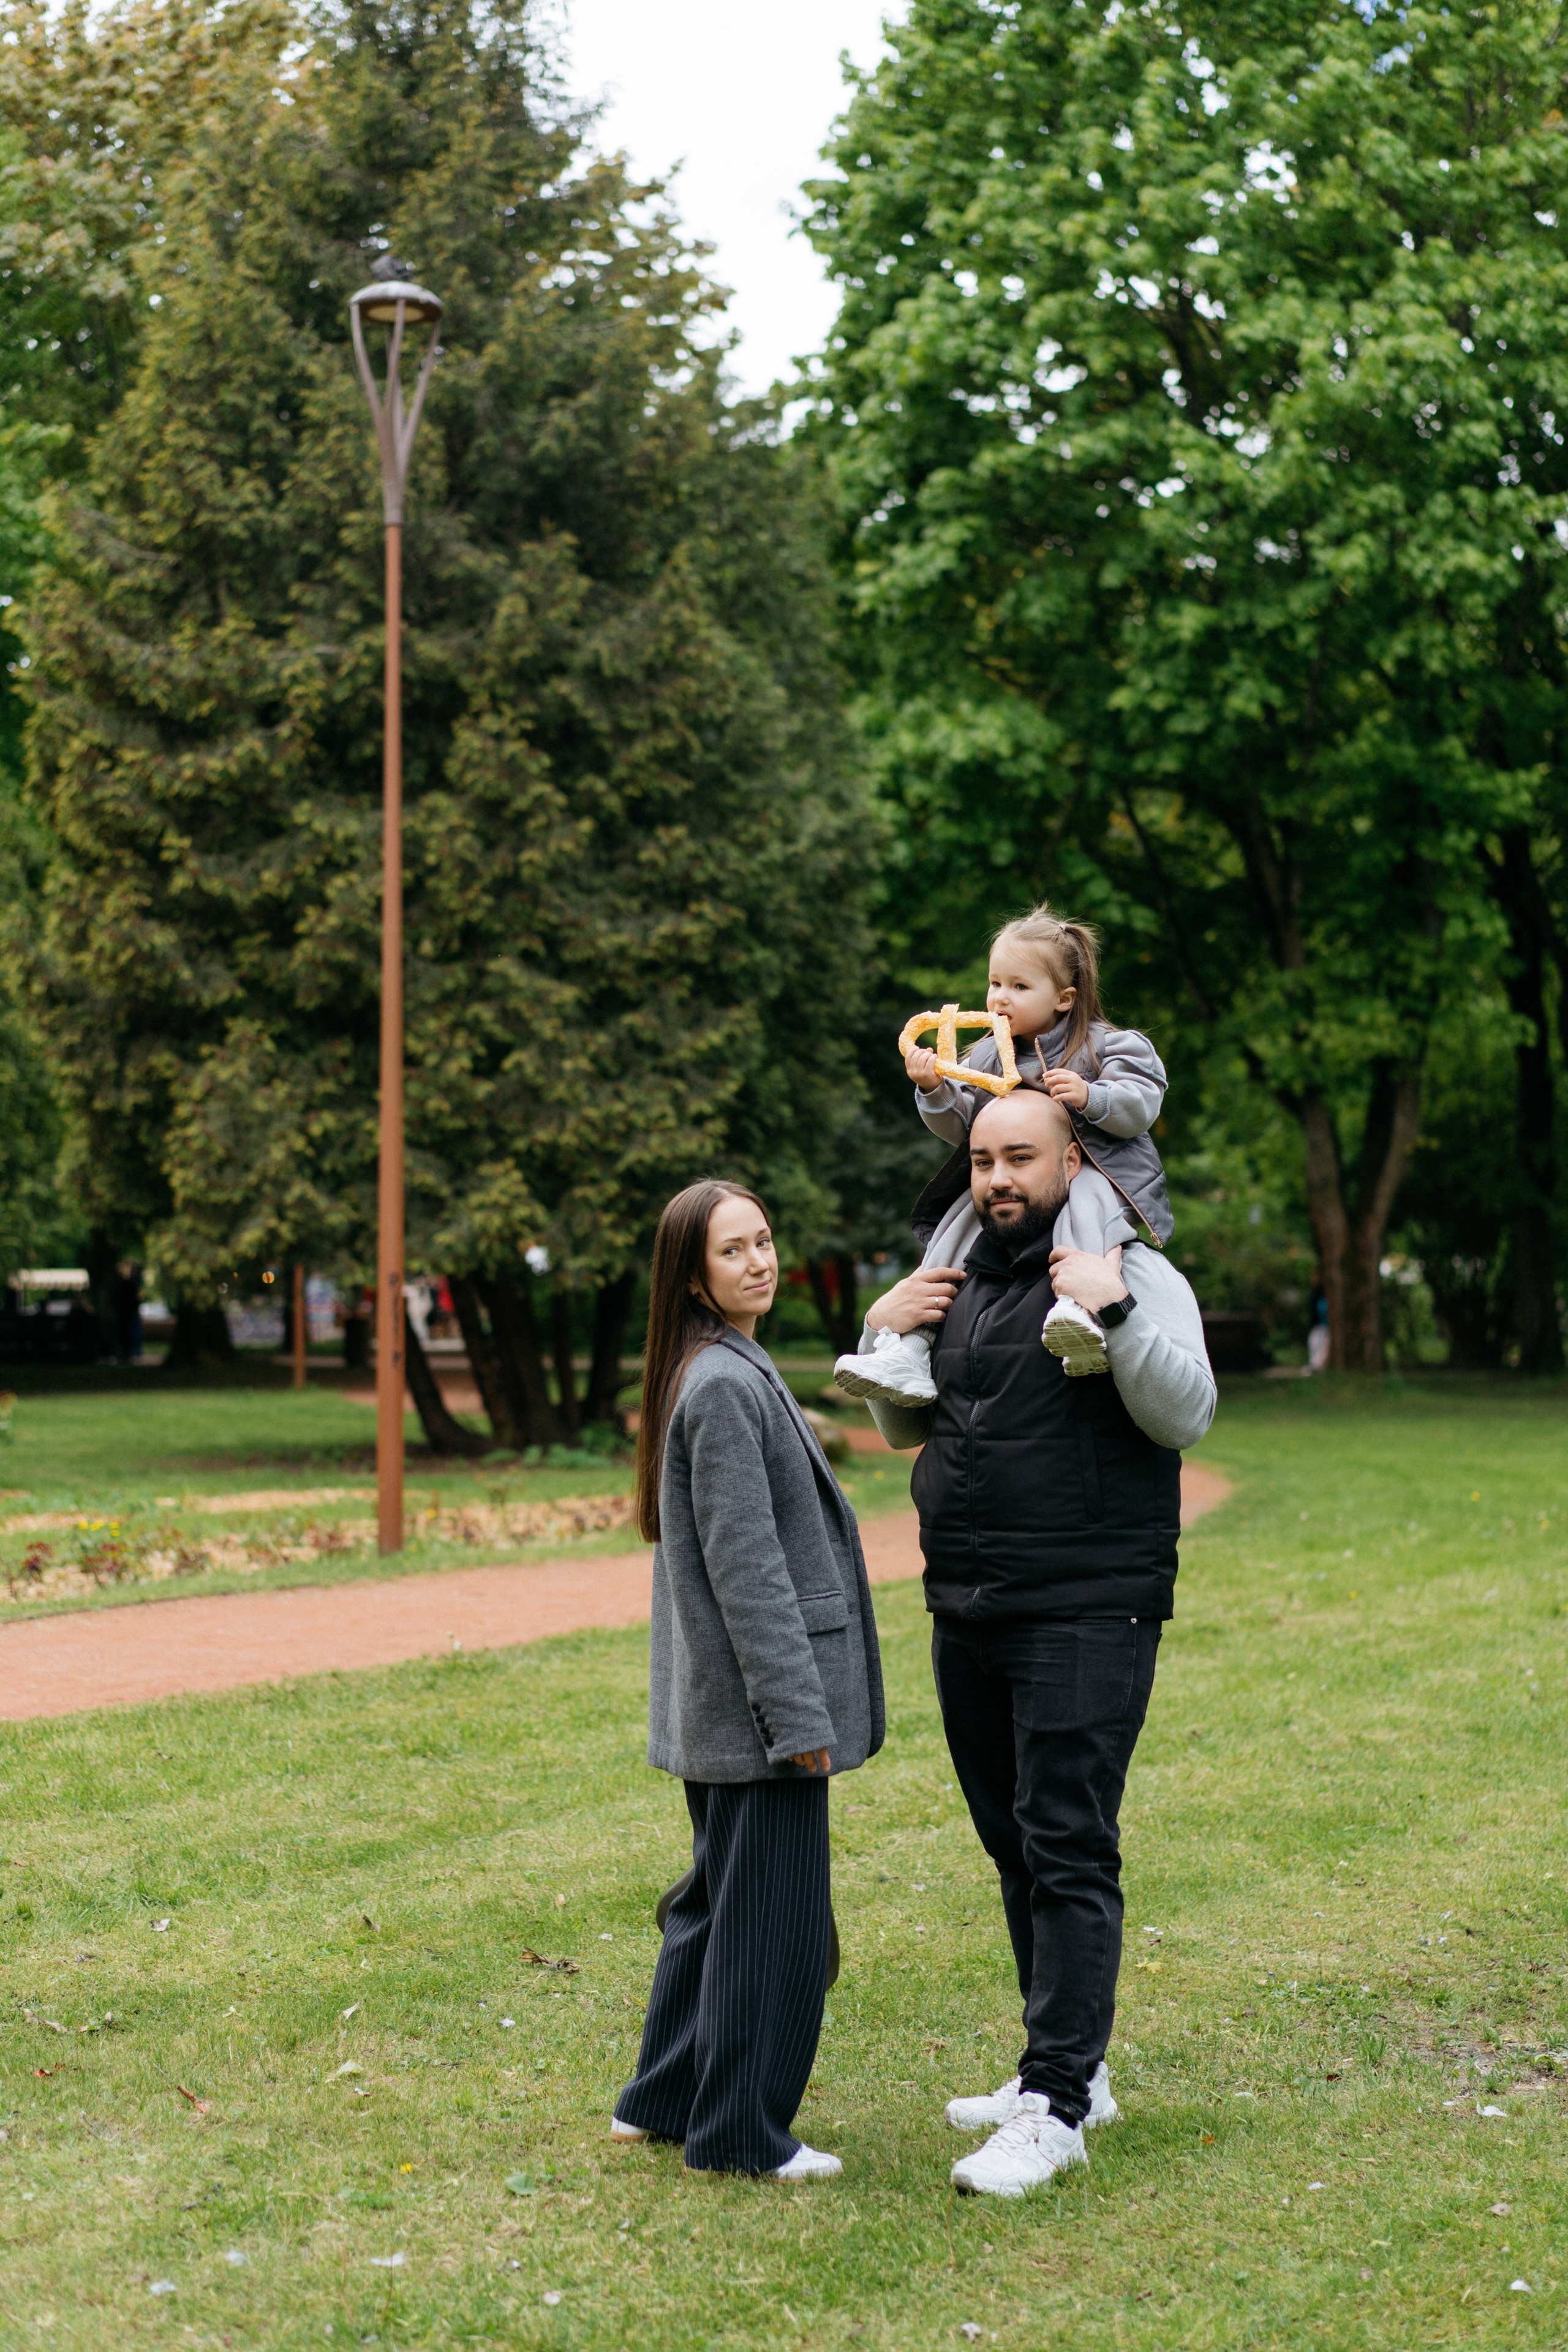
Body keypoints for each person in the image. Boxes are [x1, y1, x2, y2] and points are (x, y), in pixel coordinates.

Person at [851, 1087, 1215, 2199]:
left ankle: (1056, 2106)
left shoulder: (1130, 1269)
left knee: (1066, 1842)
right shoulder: (965, 1283)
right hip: (969, 1606)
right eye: (982, 1161)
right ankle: (1069, 2068)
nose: (998, 1179)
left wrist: (1115, 1312)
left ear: (1073, 1159)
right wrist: (891, 1324)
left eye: (1021, 1158)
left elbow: (1188, 1412)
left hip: (1087, 1606)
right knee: (1015, 1843)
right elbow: (911, 1422)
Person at [612, 1179, 885, 2180]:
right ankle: (738, 2134)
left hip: (723, 1716)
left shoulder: (717, 1363)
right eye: (734, 1251)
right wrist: (794, 1719)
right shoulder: (723, 1386)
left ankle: (664, 2099)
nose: (760, 1261)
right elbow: (749, 1573)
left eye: (765, 1240)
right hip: (759, 1716)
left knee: (716, 1905)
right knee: (777, 1928)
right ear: (693, 1275)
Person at [834, 903, 1170, 1404]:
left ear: (1063, 998)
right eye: (994, 984)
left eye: (1018, 986)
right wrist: (933, 1090)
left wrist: (1092, 1096)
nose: (999, 999)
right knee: (953, 1225)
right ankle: (908, 1348)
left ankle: (1081, 1314)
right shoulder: (988, 1054)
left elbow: (1142, 1105)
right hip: (1015, 1182)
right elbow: (965, 1127)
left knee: (1090, 1199)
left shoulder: (1109, 1047)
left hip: (1099, 1171)